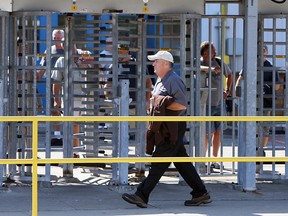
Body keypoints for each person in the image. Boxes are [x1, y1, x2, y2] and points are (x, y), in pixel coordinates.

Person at [122, 50, 211, 208]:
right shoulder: (160, 80)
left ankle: (141, 195)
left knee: (159, 161)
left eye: (156, 61)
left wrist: (161, 105)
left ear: (165, 63)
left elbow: (182, 105)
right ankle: (200, 192)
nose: (153, 64)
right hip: (166, 126)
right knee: (181, 161)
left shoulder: (173, 80)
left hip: (173, 126)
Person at [235, 45, 280, 156]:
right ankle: (253, 149)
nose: (261, 53)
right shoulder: (249, 66)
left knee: (265, 128)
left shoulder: (270, 67)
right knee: (251, 127)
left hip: (266, 102)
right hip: (251, 103)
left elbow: (277, 86)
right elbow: (239, 80)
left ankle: (261, 150)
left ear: (266, 52)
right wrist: (238, 96)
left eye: (263, 51)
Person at [51, 44, 92, 149]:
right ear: (63, 47)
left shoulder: (86, 54)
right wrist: (56, 99)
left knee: (91, 123)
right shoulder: (61, 61)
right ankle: (74, 151)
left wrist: (85, 64)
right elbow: (56, 81)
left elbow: (98, 70)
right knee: (73, 123)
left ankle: (90, 150)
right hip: (71, 96)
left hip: (89, 95)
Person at [200, 41, 232, 169]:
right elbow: (196, 68)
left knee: (218, 132)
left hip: (219, 103)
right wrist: (210, 69)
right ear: (205, 52)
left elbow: (229, 75)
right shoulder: (199, 62)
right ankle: (203, 159)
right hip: (205, 104)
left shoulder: (219, 62)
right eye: (213, 50)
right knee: (206, 133)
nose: (215, 52)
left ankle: (215, 159)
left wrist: (228, 90)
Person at [37, 29, 65, 146]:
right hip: (53, 82)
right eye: (55, 37)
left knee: (68, 110)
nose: (56, 40)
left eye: (59, 38)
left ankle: (70, 136)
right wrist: (36, 78)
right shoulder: (49, 50)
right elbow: (43, 66)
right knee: (54, 110)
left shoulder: (68, 50)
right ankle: (58, 136)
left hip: (67, 83)